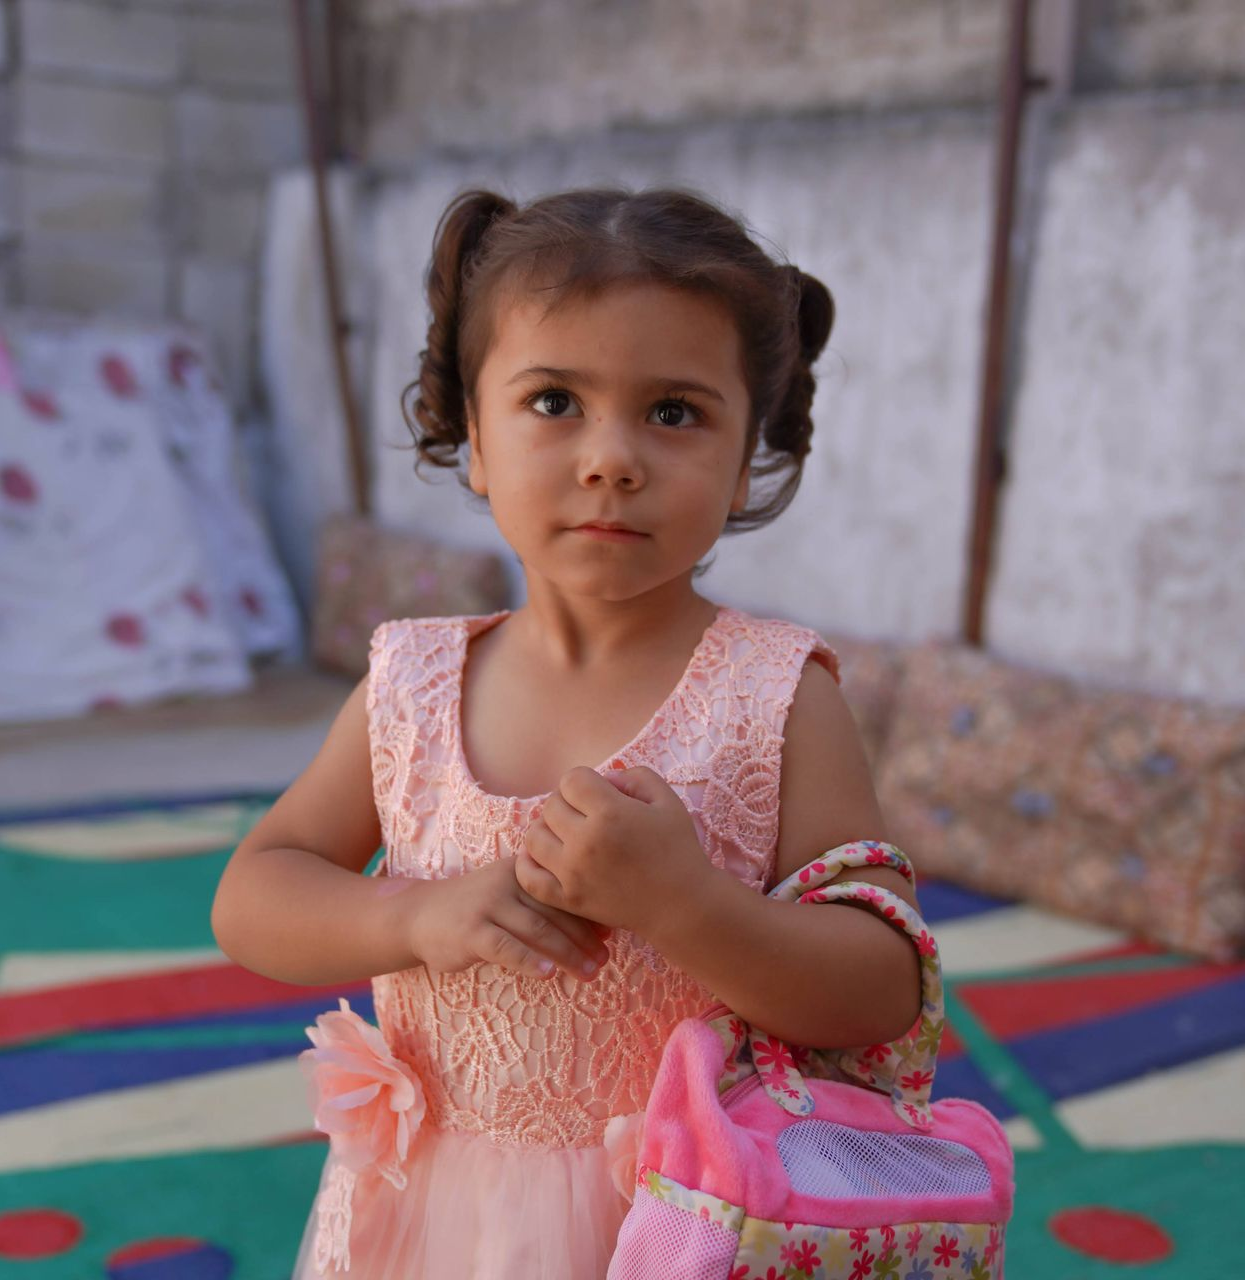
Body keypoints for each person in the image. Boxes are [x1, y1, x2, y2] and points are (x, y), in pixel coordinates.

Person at [210, 184, 924, 1279]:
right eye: (553, 401)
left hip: (686, 1221)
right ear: (474, 437)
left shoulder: (778, 696)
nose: (611, 457)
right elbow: (255, 894)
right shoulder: (411, 683)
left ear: (746, 462)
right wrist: (413, 914)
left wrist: (685, 903)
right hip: (429, 1220)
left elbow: (881, 989)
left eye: (675, 411)